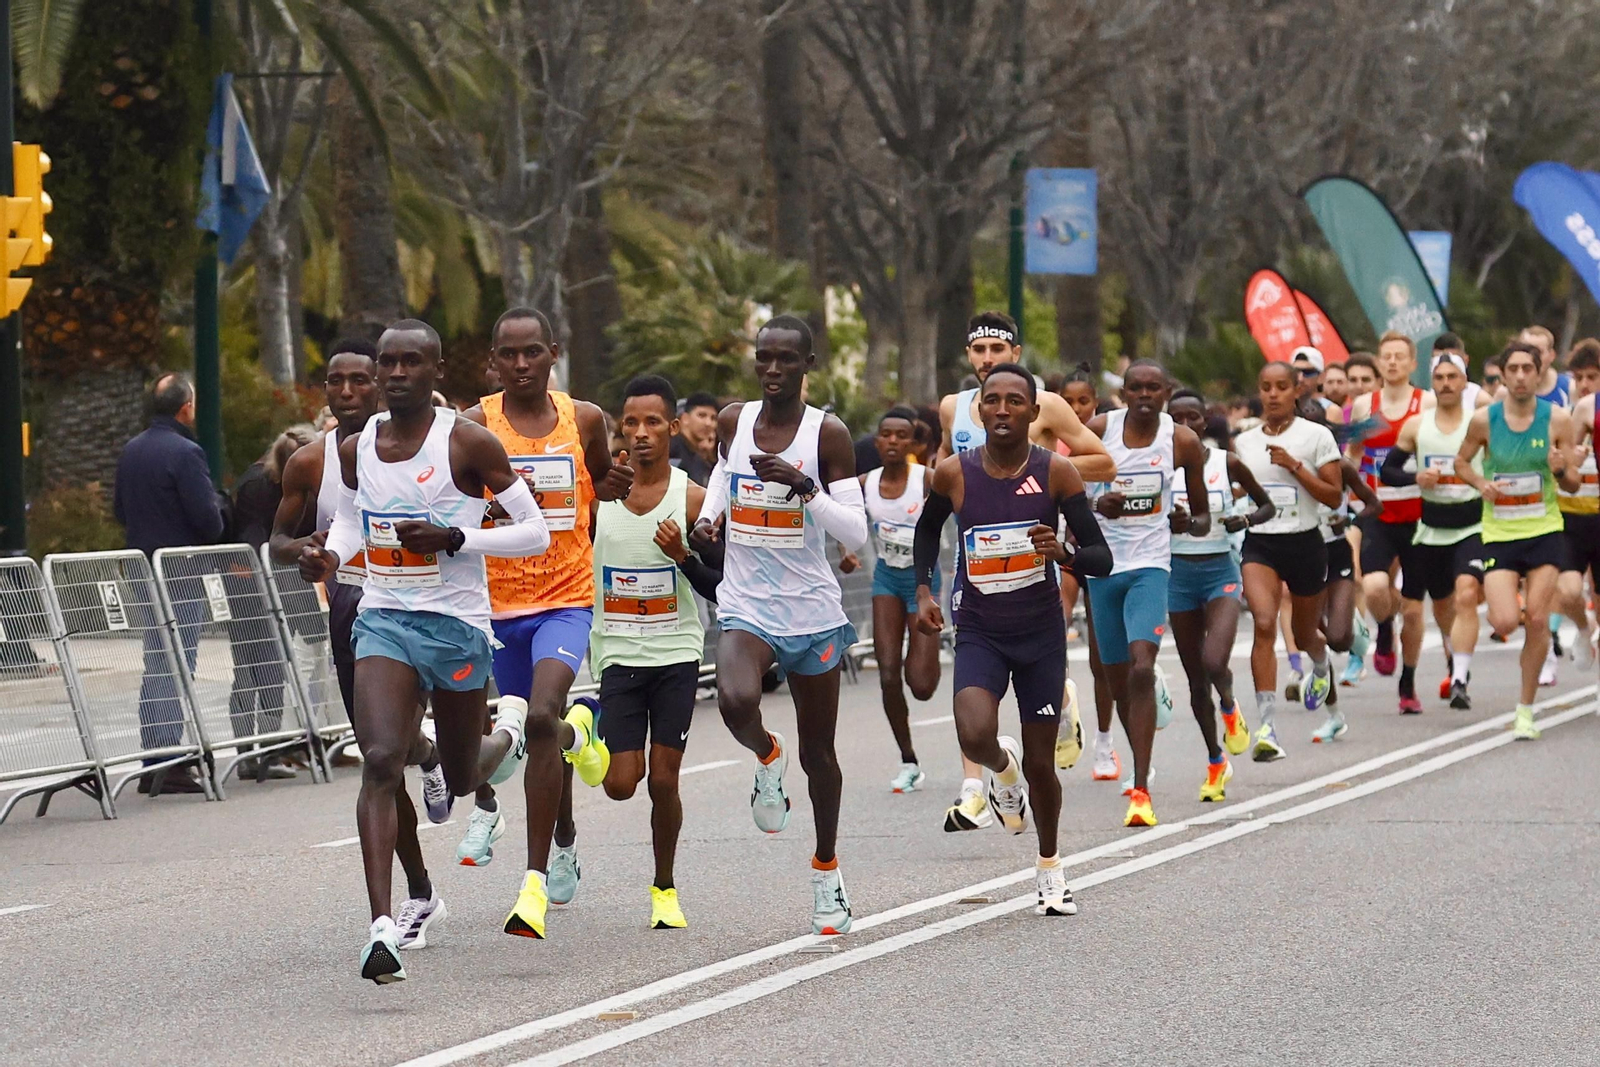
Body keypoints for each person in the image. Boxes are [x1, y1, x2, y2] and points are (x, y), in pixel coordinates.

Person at [298, 319, 551, 983]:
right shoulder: (356, 447)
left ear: (437, 370)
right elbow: (350, 519)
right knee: (380, 759)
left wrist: (457, 539)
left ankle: (506, 735)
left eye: (412, 362)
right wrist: (331, 556)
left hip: (457, 625)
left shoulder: (467, 441)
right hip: (384, 617)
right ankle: (382, 928)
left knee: (465, 778)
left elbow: (535, 533)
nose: (397, 373)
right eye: (389, 362)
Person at [690, 314, 870, 936]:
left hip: (812, 612)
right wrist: (711, 516)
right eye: (763, 357)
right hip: (747, 603)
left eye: (786, 359)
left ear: (807, 365)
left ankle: (827, 870)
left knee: (820, 754)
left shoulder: (828, 434)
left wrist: (805, 488)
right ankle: (767, 755)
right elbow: (723, 473)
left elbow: (856, 532)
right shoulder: (735, 420)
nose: (772, 369)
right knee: (736, 700)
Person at [913, 362, 1112, 915]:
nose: (1002, 409)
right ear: (979, 411)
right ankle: (1003, 770)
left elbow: (1100, 557)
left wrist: (1064, 554)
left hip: (1040, 634)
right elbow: (926, 532)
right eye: (992, 400)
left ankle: (1050, 868)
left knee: (1043, 764)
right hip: (980, 627)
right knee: (975, 733)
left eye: (1014, 401)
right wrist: (923, 593)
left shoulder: (1057, 473)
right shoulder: (953, 473)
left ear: (1033, 411)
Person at [271, 342, 452, 949]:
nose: (346, 392)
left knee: (397, 752)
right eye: (335, 381)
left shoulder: (423, 444)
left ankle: (448, 761)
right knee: (382, 759)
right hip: (356, 609)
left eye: (357, 380)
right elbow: (277, 539)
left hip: (424, 606)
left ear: (377, 384)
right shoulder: (311, 460)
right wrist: (308, 548)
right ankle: (418, 893)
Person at [461, 307, 628, 922]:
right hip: (498, 604)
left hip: (566, 596)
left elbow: (601, 480)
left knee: (536, 716)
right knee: (541, 736)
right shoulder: (475, 424)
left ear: (553, 353)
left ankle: (530, 886)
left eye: (533, 351)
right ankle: (568, 819)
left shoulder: (584, 418)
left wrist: (613, 483)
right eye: (509, 354)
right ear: (493, 361)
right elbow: (456, 504)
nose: (522, 363)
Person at [937, 313, 1114, 826]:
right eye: (978, 350)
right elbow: (944, 465)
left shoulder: (1047, 405)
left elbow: (1103, 462)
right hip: (973, 558)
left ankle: (1059, 695)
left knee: (1036, 645)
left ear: (1015, 353)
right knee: (972, 686)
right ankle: (976, 785)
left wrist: (1038, 471)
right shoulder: (952, 407)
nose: (987, 358)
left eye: (997, 349)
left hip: (1033, 554)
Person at [591, 374, 720, 931]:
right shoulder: (598, 498)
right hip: (619, 652)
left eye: (652, 422)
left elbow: (722, 586)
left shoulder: (692, 499)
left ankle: (664, 888)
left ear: (673, 427)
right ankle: (585, 731)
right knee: (621, 784)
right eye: (630, 423)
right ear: (620, 430)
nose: (641, 433)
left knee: (664, 781)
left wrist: (683, 557)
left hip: (676, 653)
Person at [1083, 362, 1209, 827]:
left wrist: (1186, 522)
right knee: (1118, 682)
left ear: (1166, 392)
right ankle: (1141, 727)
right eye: (1135, 387)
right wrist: (1096, 503)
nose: (1143, 395)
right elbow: (1063, 490)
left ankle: (1140, 789)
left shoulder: (1181, 441)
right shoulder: (1099, 430)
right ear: (1123, 392)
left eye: (1153, 388)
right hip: (1103, 569)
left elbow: (1203, 520)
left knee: (1141, 666)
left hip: (1150, 568)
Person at [1453, 340, 1581, 741]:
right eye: (1514, 369)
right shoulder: (1484, 421)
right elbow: (1461, 461)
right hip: (1500, 533)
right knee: (1505, 620)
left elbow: (1574, 484)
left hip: (1544, 531)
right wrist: (1480, 483)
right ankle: (1530, 618)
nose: (1522, 376)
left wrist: (1559, 471)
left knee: (1537, 619)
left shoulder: (1558, 419)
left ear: (1540, 373)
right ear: (1504, 375)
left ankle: (1525, 710)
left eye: (1529, 368)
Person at [114, 372, 226, 796]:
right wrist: (217, 511)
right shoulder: (186, 452)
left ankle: (154, 758)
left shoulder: (132, 449)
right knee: (177, 661)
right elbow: (208, 520)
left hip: (141, 565)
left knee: (157, 659)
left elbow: (120, 510)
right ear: (186, 408)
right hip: (179, 567)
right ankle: (168, 759)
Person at [1167, 390, 1272, 799]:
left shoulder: (1225, 463)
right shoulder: (1157, 468)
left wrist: (1244, 519)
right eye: (1176, 418)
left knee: (1214, 661)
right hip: (1177, 576)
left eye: (1192, 417)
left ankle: (1229, 703)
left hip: (1220, 572)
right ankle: (1215, 761)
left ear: (1205, 420)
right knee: (1196, 680)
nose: (1185, 425)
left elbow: (1266, 506)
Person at [1237, 363, 1344, 760]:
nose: (1273, 394)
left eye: (1281, 386)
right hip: (1261, 543)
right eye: (1266, 387)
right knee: (1264, 623)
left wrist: (1295, 466)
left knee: (1304, 632)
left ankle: (1320, 663)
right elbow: (1239, 489)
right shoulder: (1244, 442)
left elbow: (1333, 495)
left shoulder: (1316, 436)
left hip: (1305, 542)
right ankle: (1267, 726)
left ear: (1296, 391)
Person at [838, 406, 941, 792]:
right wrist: (846, 548)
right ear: (877, 441)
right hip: (887, 578)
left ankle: (929, 653)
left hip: (923, 581)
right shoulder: (864, 483)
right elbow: (840, 517)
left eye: (901, 435)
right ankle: (908, 759)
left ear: (913, 443)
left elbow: (960, 508)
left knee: (921, 685)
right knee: (886, 673)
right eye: (886, 435)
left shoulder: (926, 479)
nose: (893, 441)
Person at [1380, 352, 1485, 709]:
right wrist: (1417, 478)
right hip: (1431, 530)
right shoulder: (1416, 426)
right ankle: (1411, 678)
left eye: (1453, 377)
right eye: (1439, 378)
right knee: (1428, 608)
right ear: (1432, 383)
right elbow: (1388, 472)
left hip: (1472, 526)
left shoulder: (1479, 423)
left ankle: (1460, 677)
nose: (1446, 384)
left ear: (1464, 381)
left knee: (1466, 592)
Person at [1346, 332, 1433, 713]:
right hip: (1378, 513)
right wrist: (1349, 492)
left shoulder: (1426, 403)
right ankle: (1384, 629)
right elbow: (1353, 454)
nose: (1393, 362)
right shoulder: (1364, 406)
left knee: (1413, 610)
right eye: (1387, 357)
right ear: (1379, 363)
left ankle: (1408, 682)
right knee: (1374, 586)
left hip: (1418, 516)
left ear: (1413, 363)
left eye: (1400, 356)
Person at [228, 423, 316, 781]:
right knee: (261, 667)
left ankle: (263, 748)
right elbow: (252, 536)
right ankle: (257, 750)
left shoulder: (279, 484)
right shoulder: (259, 486)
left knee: (262, 668)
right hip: (253, 584)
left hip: (275, 582)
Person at [1554, 339, 1600, 671]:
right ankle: (1583, 630)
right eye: (1578, 377)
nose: (1584, 384)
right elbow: (1559, 465)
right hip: (1570, 520)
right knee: (1568, 592)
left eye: (1592, 377)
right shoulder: (1576, 414)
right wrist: (1572, 460)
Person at [671, 392, 720, 486]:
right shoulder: (671, 449)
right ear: (685, 418)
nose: (708, 423)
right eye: (702, 415)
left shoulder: (698, 455)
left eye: (713, 418)